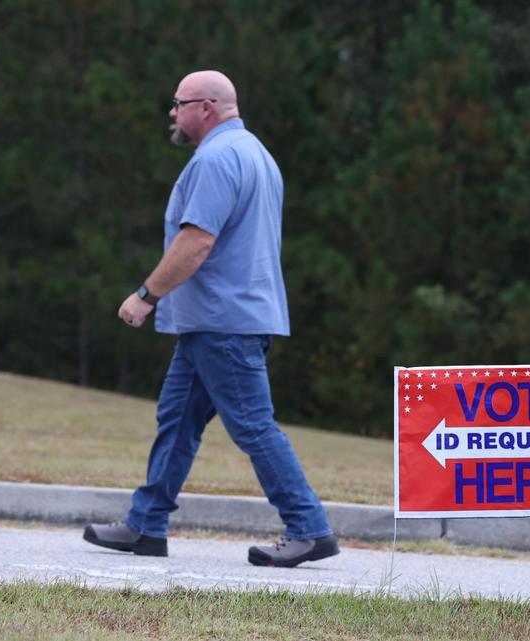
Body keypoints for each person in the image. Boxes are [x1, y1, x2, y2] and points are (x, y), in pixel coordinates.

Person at [82, 70, 339, 568]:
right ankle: (145, 525)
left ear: (206, 106)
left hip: (225, 322)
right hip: (222, 319)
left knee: (253, 427)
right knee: (176, 422)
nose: (173, 114)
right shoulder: (255, 154)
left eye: (178, 104)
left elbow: (197, 241)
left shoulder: (217, 159)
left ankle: (309, 527)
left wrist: (145, 294)